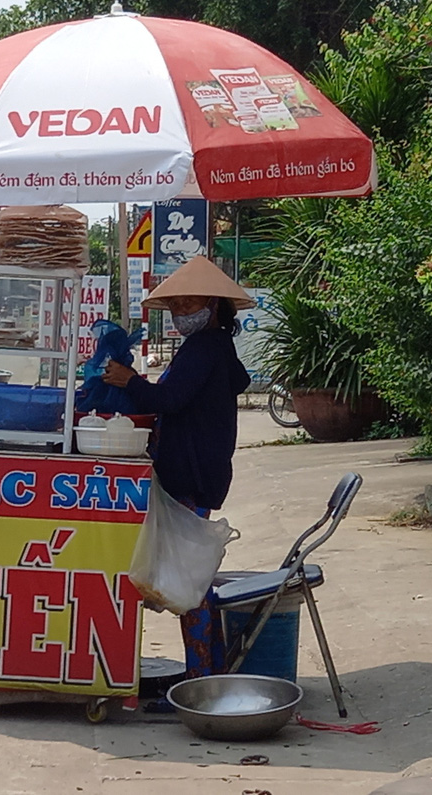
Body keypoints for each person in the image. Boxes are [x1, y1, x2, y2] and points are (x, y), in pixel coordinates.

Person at [101, 255, 254, 684]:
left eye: (190, 304)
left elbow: (168, 400)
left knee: (190, 583)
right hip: (200, 469)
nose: (182, 313)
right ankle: (207, 669)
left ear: (213, 305)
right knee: (192, 580)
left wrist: (129, 381)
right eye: (176, 307)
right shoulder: (213, 348)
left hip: (194, 473)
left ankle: (204, 674)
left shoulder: (206, 348)